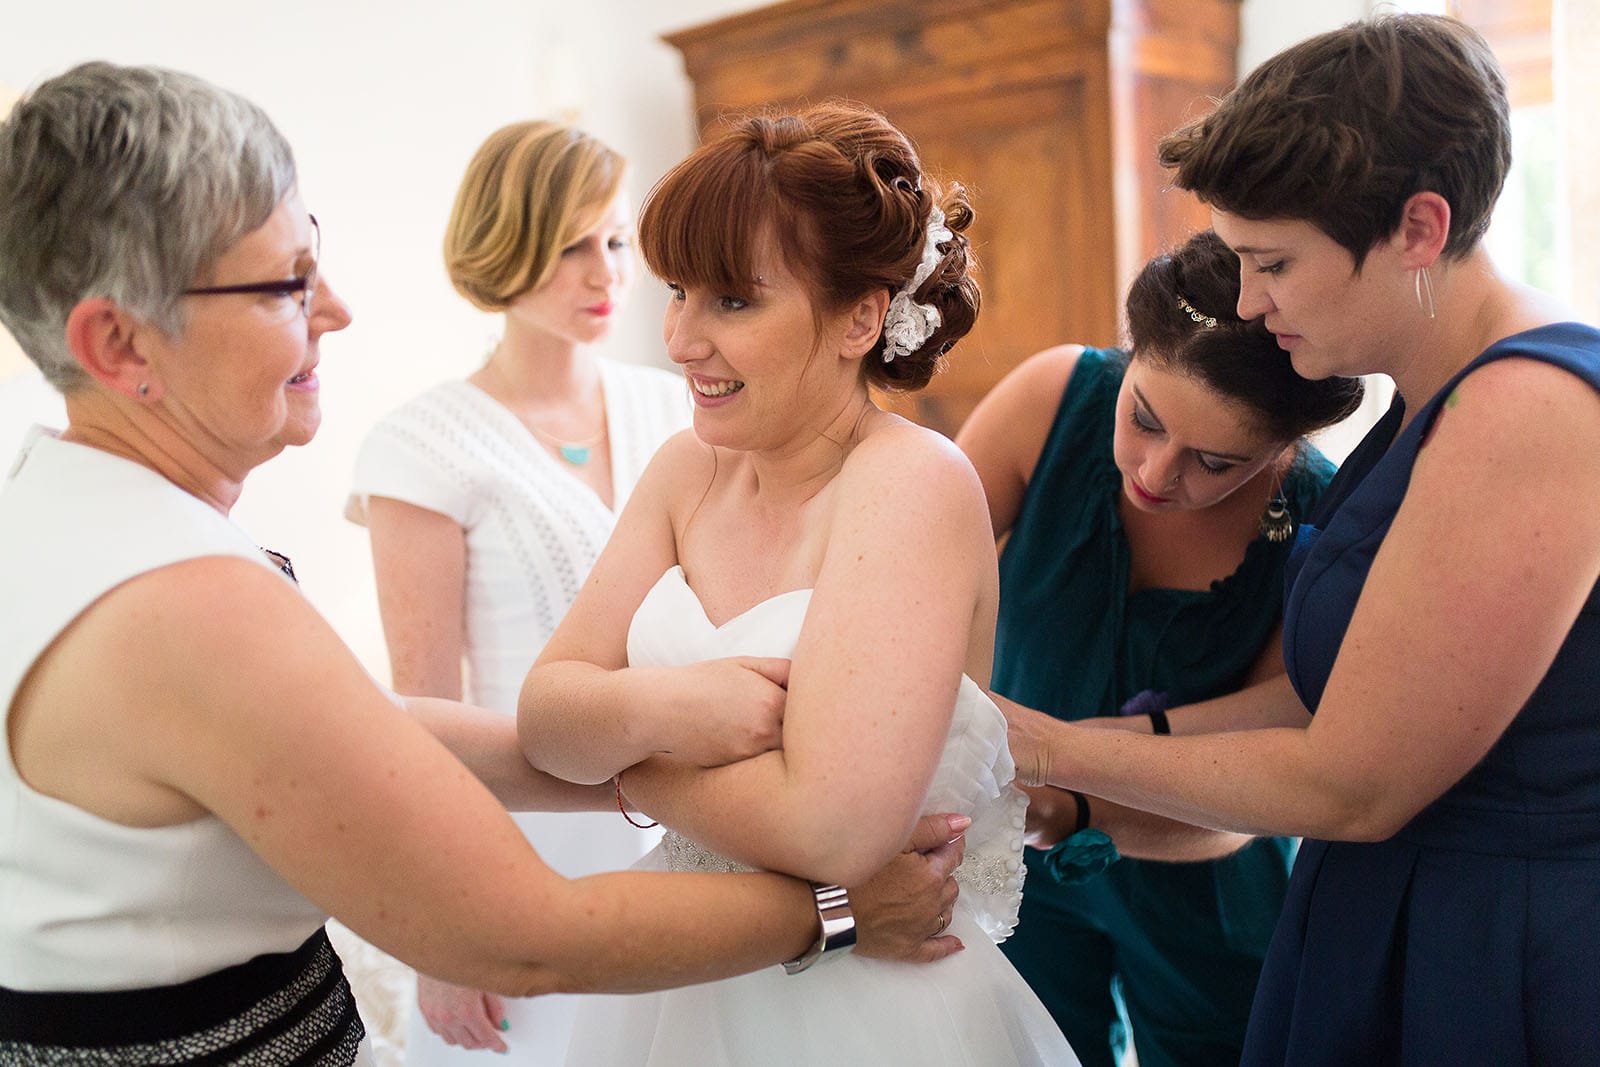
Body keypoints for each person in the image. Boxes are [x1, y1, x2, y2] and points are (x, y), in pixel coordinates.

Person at [0, 61, 973, 1065]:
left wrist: (625, 734)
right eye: (287, 282)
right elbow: (525, 931)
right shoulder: (185, 599)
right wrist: (834, 906)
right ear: (117, 344)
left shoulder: (60, 515)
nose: (335, 307)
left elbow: (364, 724)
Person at [1003, 14, 1600, 1064]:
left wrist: (1035, 743)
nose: (1244, 300)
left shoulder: (1526, 410)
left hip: (1490, 945)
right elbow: (1341, 691)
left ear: (1418, 227)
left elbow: (1351, 779)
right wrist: (1108, 761)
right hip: (1388, 907)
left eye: (1271, 260)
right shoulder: (1430, 405)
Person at [517, 102, 1077, 1065]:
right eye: (681, 292)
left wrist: (634, 759)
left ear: (860, 316)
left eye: (732, 301)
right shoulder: (683, 474)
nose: (683, 338)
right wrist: (676, 709)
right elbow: (543, 716)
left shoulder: (911, 482)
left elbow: (833, 828)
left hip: (868, 1008)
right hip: (687, 980)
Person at [956, 229, 1362, 1066]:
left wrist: (1075, 786)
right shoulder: (1049, 400)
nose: (1154, 470)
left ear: (1282, 450)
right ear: (1130, 350)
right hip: (1005, 847)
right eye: (1143, 416)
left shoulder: (1320, 519)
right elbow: (911, 583)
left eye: (1217, 461)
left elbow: (1275, 745)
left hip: (1204, 868)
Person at [346, 120, 689, 1061]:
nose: (605, 272)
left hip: (694, 831)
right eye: (571, 244)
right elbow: (422, 710)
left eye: (616, 241)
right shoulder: (421, 447)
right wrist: (442, 928)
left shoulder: (678, 408)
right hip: (520, 855)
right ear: (507, 244)